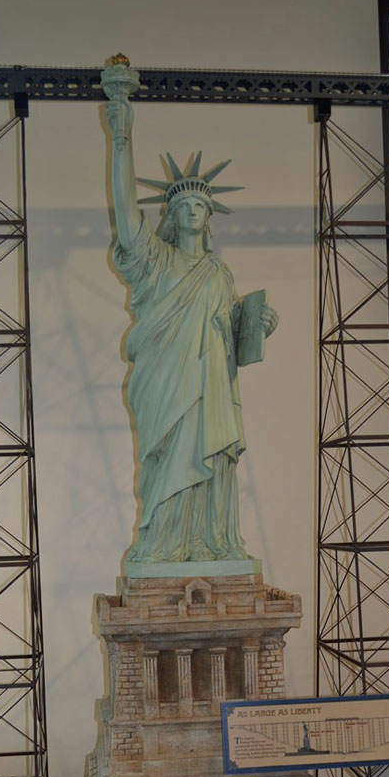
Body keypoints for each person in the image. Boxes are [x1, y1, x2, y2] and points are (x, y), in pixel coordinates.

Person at [106, 95, 278, 565]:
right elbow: (125, 220)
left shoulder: (219, 276)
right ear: (170, 215)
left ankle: (211, 541)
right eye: (184, 205)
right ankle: (162, 543)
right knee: (165, 462)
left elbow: (232, 343)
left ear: (210, 215)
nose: (193, 211)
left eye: (201, 204)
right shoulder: (156, 261)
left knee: (211, 458)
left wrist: (258, 322)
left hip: (210, 391)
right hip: (165, 382)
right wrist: (122, 136)